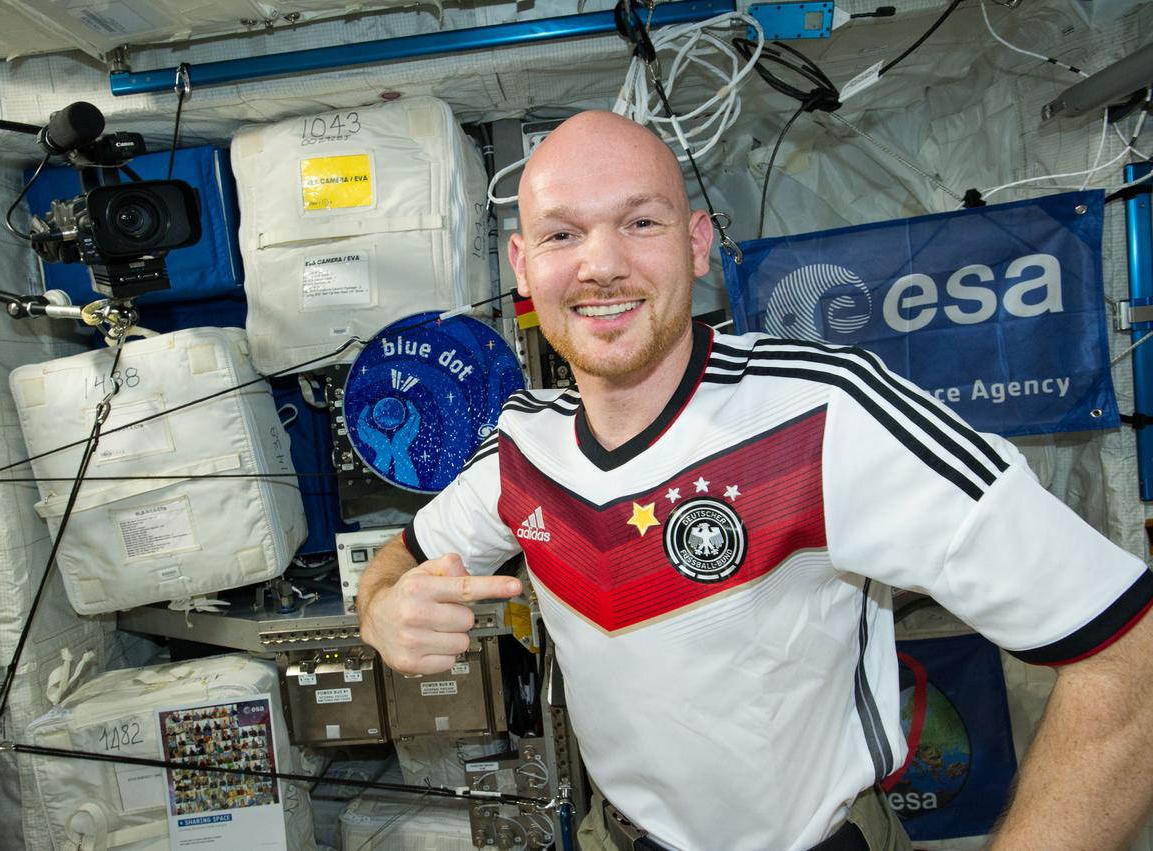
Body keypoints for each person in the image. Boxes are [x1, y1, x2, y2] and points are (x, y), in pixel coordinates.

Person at [357, 110, 1153, 850]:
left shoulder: (824, 414)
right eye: (564, 233)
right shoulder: (519, 450)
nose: (602, 264)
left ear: (697, 243)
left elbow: (1134, 656)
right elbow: (396, 561)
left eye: (641, 222)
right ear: (524, 267)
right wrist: (385, 609)